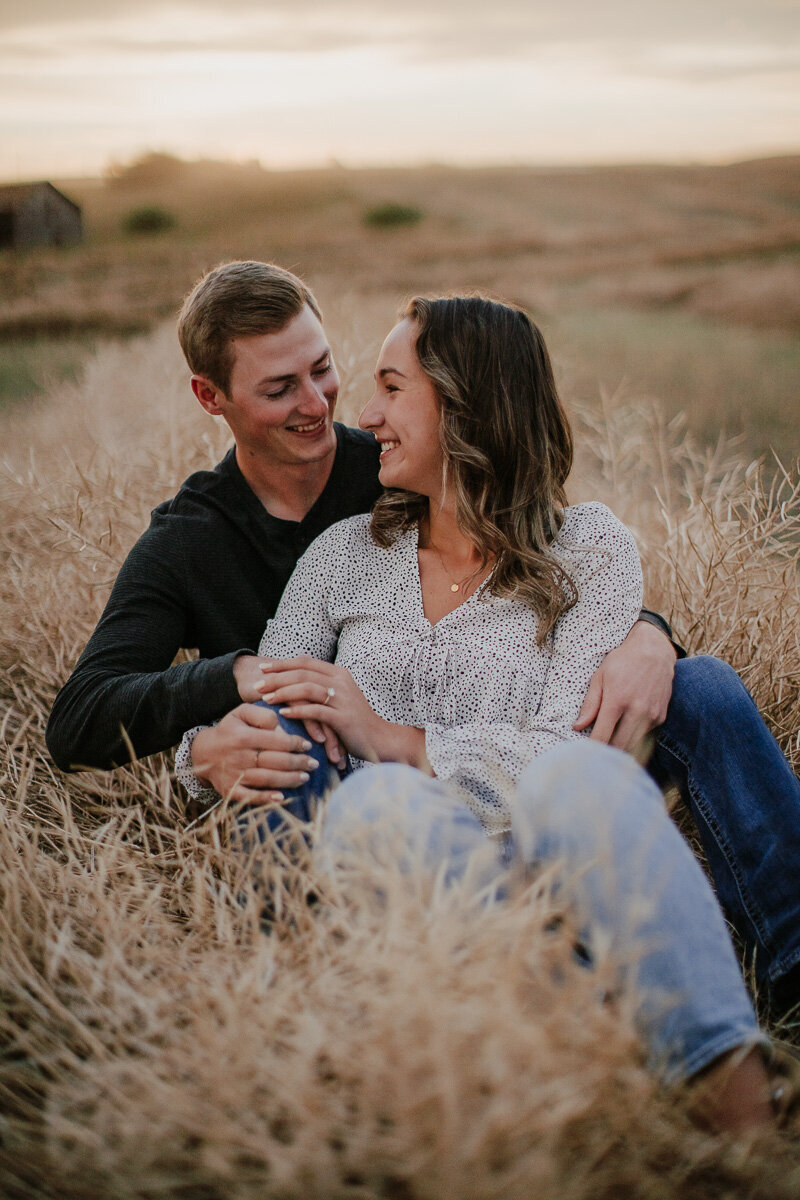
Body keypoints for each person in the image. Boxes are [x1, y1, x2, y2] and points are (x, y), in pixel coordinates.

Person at [45, 261, 800, 1009]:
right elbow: (94, 715)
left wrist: (648, 635)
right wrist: (201, 746)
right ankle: (322, 994)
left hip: (525, 802)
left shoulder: (426, 482)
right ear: (212, 397)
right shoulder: (235, 545)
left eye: (329, 372)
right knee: (282, 730)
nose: (331, 408)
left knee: (701, 685)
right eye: (280, 389)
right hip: (368, 813)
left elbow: (543, 560)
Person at [177, 295, 778, 1132]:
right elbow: (270, 710)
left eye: (391, 386)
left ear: (465, 405)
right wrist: (199, 749)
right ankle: (565, 1041)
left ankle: (745, 1118)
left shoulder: (589, 551)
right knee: (379, 804)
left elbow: (566, 749)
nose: (367, 413)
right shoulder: (343, 557)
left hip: (567, 859)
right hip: (417, 881)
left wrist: (391, 738)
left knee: (575, 776)